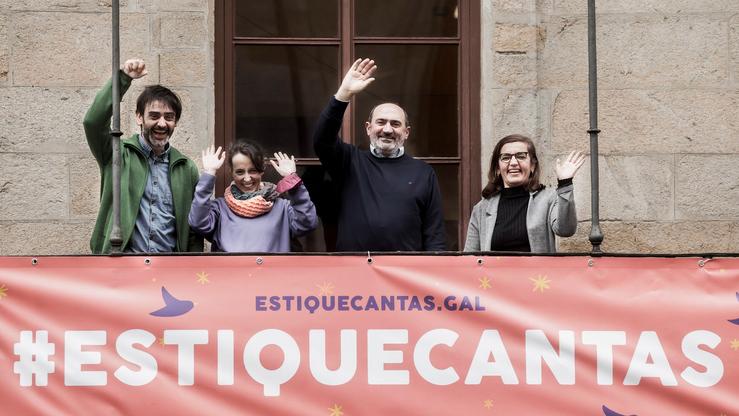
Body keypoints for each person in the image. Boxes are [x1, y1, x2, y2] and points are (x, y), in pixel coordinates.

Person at [312, 58, 446, 252]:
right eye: (381, 122)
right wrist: (343, 95)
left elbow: (434, 235)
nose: (388, 129)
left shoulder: (423, 173)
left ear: (406, 132)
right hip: (354, 273)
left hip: (404, 274)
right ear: (368, 128)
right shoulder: (349, 161)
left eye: (396, 124)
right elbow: (322, 140)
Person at [83, 58, 202, 254]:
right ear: (139, 117)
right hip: (122, 268)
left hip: (169, 271)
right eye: (154, 116)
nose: (162, 124)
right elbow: (93, 122)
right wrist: (122, 79)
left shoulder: (186, 168)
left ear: (176, 122)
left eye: (169, 117)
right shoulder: (117, 154)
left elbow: (192, 230)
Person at [464, 134, 585, 253]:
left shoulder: (548, 198)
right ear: (497, 168)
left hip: (537, 273)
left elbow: (566, 230)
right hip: (493, 273)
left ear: (532, 165)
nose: (513, 162)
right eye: (506, 157)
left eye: (521, 156)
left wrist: (565, 184)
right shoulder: (481, 209)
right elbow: (470, 257)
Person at [188, 141, 318, 252]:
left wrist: (293, 182)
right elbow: (198, 223)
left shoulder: (282, 208)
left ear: (262, 171)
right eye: (240, 172)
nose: (247, 178)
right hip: (230, 280)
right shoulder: (220, 208)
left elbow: (308, 223)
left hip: (273, 279)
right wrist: (209, 174)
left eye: (253, 171)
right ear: (232, 173)